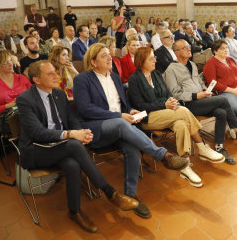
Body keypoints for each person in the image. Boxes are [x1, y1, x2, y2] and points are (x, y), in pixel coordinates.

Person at [17, 60, 138, 233]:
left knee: (73, 165)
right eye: (50, 73)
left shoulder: (59, 94)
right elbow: (38, 133)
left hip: (61, 145)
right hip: (37, 149)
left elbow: (70, 119)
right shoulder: (25, 99)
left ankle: (74, 211)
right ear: (36, 80)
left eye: (55, 71)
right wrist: (71, 134)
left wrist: (81, 131)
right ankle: (110, 192)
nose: (56, 75)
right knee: (74, 145)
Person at [73, 43, 190, 218]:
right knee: (121, 124)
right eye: (104, 55)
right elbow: (84, 109)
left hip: (121, 126)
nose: (109, 57)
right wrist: (119, 116)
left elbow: (123, 104)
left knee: (132, 147)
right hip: (98, 129)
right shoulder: (82, 79)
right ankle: (163, 156)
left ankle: (130, 195)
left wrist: (129, 112)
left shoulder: (115, 77)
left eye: (109, 54)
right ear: (93, 62)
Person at [129, 47, 224, 187]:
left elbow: (167, 93)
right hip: (147, 118)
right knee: (183, 111)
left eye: (154, 57)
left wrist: (171, 101)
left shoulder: (155, 74)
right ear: (141, 61)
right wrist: (165, 105)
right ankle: (202, 146)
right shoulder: (134, 79)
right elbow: (140, 105)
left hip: (166, 113)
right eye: (151, 58)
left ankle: (184, 166)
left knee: (182, 124)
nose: (155, 60)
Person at [165, 40, 237, 160]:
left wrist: (206, 90)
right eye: (185, 47)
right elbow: (175, 93)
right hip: (188, 105)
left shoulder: (192, 64)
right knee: (222, 100)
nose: (189, 49)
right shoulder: (171, 69)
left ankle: (219, 146)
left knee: (222, 112)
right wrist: (197, 95)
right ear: (177, 52)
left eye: (189, 46)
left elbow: (200, 82)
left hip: (202, 100)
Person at [0, 50, 31, 133]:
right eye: (6, 63)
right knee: (25, 119)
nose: (10, 64)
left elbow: (34, 97)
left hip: (26, 111)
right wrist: (7, 105)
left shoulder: (22, 78)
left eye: (10, 61)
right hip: (6, 116)